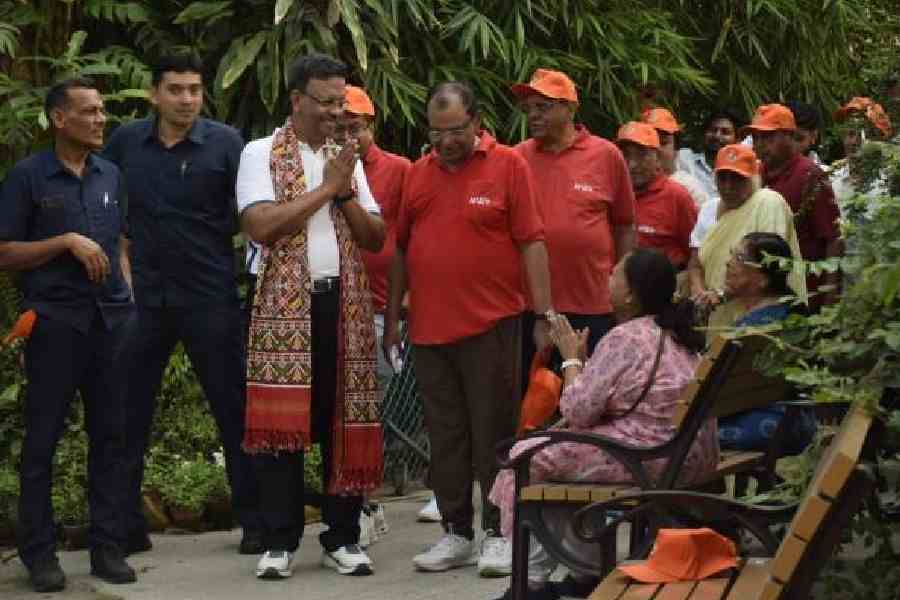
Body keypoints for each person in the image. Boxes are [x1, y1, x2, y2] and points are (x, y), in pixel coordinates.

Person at [384, 81, 553, 577]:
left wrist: (544, 316)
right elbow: (399, 250)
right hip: (430, 331)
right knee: (446, 436)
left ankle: (499, 532)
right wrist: (393, 318)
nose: (446, 142)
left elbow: (533, 242)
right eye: (436, 133)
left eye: (455, 131)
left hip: (492, 325)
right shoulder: (418, 175)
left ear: (477, 123)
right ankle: (456, 532)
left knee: (494, 433)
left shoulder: (508, 167)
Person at [103, 53, 262, 555]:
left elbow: (250, 213)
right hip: (142, 299)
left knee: (233, 408)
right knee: (127, 412)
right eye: (176, 89)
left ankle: (256, 523)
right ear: (155, 93)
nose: (187, 99)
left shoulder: (226, 143)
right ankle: (124, 527)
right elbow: (106, 203)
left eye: (195, 89)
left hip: (209, 294)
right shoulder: (126, 141)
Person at [488, 249, 714, 600]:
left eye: (615, 274)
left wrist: (572, 359)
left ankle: (532, 582)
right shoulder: (674, 333)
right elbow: (612, 398)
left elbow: (578, 410)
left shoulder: (625, 337)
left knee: (525, 458)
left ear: (631, 294)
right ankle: (583, 572)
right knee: (556, 456)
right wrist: (585, 364)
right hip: (687, 455)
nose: (607, 277)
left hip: (647, 459)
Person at [237, 53, 385, 580]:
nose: (336, 113)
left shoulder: (347, 157)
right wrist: (325, 187)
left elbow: (375, 238)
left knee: (339, 421)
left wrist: (343, 189)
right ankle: (279, 541)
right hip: (283, 310)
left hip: (342, 306)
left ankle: (342, 538)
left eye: (341, 101)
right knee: (284, 427)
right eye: (325, 102)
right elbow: (261, 225)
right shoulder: (260, 153)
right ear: (296, 100)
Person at [0, 78, 137, 591]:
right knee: (42, 442)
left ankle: (107, 549)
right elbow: (4, 251)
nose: (101, 119)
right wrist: (64, 242)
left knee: (111, 438)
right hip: (55, 324)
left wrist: (130, 295)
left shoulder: (111, 175)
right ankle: (40, 555)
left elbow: (120, 240)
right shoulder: (28, 177)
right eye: (90, 111)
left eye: (103, 110)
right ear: (60, 119)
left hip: (111, 323)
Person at [510, 68, 634, 382]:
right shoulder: (516, 158)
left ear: (570, 108)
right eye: (529, 109)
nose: (533, 116)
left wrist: (622, 289)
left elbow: (624, 225)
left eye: (543, 107)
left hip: (591, 305)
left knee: (590, 397)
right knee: (530, 404)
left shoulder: (606, 156)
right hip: (529, 308)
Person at [338, 85, 412, 544]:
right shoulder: (324, 168)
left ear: (372, 126)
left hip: (382, 307)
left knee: (373, 409)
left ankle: (366, 500)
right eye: (343, 128)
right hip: (334, 304)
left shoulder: (400, 170)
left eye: (358, 127)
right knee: (344, 411)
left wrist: (405, 302)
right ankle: (361, 502)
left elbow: (411, 238)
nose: (351, 136)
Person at [687, 144, 806, 335]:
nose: (728, 186)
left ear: (754, 178)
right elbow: (695, 263)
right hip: (715, 314)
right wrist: (700, 293)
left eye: (737, 179)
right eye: (722, 178)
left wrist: (720, 296)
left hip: (759, 313)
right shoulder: (709, 209)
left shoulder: (767, 203)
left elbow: (767, 269)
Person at [716, 233, 817, 454]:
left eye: (740, 258)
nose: (729, 262)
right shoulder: (790, 313)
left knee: (688, 436)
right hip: (796, 419)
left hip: (763, 424)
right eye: (733, 254)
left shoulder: (751, 328)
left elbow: (715, 394)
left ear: (763, 280)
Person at [747, 103, 842, 309]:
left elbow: (833, 240)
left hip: (804, 297)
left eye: (768, 137)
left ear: (790, 137)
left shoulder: (811, 176)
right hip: (764, 296)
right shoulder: (754, 175)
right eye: (756, 138)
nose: (760, 145)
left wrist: (829, 301)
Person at [615, 121, 697, 270]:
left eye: (641, 155)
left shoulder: (677, 197)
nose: (632, 164)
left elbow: (695, 252)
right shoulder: (611, 194)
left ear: (658, 158)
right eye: (625, 154)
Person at [641, 107, 710, 209]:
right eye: (649, 142)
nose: (656, 148)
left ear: (676, 150)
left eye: (663, 143)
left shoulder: (690, 189)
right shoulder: (633, 185)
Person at [676, 109, 742, 205]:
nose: (717, 136)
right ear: (704, 134)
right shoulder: (684, 159)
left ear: (737, 139)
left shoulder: (740, 171)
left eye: (725, 132)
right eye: (713, 130)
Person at [785, 101, 823, 165]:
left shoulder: (823, 173)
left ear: (813, 136)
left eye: (798, 139)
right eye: (783, 139)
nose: (791, 146)